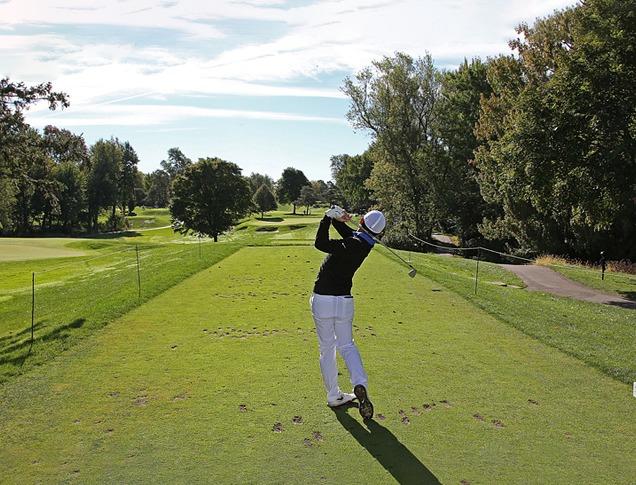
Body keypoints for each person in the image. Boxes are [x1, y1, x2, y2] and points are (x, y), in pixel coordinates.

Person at [310, 205, 386, 419]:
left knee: (327, 348)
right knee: (347, 345)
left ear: (361, 222)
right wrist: (338, 218)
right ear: (378, 233)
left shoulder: (353, 242)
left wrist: (326, 218)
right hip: (344, 301)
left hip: (323, 300)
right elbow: (348, 233)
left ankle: (334, 395)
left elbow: (320, 243)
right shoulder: (364, 244)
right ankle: (359, 384)